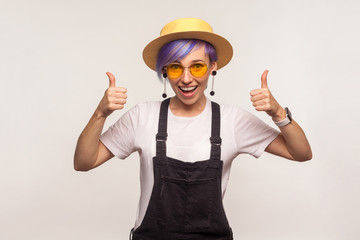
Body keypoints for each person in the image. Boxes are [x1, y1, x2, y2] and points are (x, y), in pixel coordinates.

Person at [74, 18, 312, 240]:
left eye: (197, 67)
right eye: (176, 67)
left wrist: (279, 114)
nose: (186, 79)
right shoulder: (142, 116)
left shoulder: (233, 120)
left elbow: (301, 153)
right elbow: (84, 162)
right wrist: (100, 114)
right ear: (165, 70)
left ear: (212, 66)